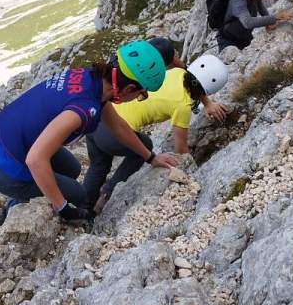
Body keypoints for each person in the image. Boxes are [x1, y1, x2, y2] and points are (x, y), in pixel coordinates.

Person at [0, 40, 178, 225]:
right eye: (141, 95)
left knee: (72, 169)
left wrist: (151, 157)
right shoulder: (83, 108)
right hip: (3, 166)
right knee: (78, 195)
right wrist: (63, 208)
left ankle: (29, 192)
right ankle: (18, 205)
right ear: (129, 89)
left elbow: (118, 126)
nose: (139, 98)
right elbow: (35, 160)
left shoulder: (92, 80)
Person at [83, 48, 229, 214]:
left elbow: (194, 82)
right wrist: (193, 175)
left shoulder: (178, 72)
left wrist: (208, 103)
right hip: (114, 131)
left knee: (97, 166)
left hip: (99, 116)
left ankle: (82, 210)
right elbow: (181, 150)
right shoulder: (183, 105)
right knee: (144, 147)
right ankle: (108, 192)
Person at [215, 0, 293, 52]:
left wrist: (268, 24)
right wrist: (275, 17)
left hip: (243, 39)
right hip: (228, 41)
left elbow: (262, 9)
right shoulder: (238, 0)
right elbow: (248, 22)